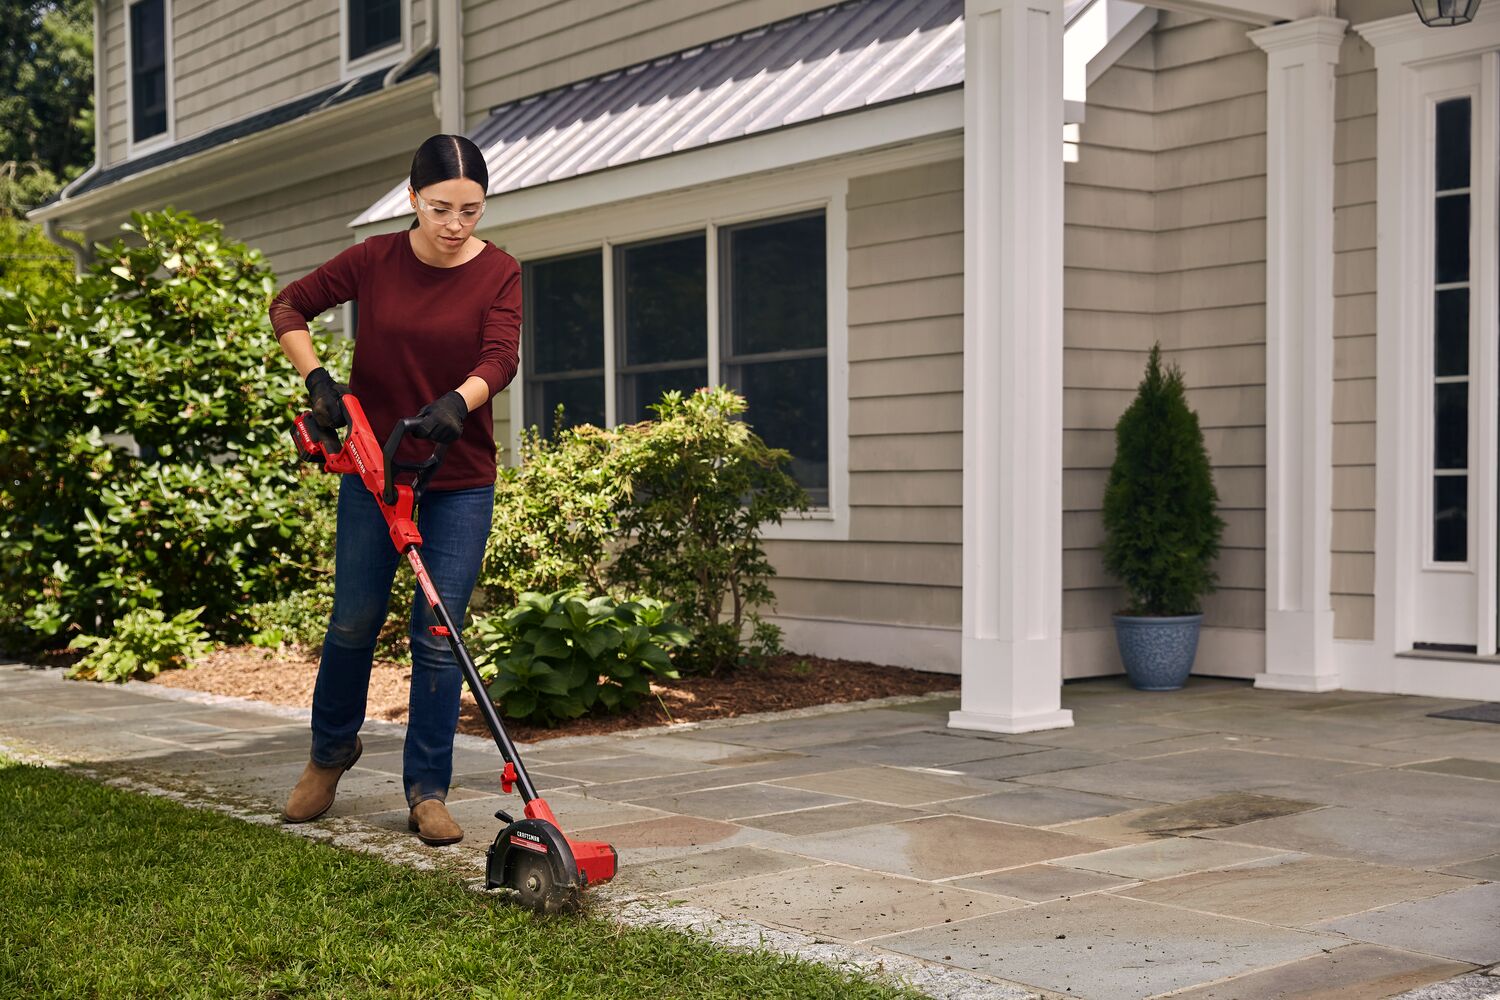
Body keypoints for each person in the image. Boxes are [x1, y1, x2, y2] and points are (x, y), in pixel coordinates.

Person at [268, 134, 520, 846]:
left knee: (439, 636)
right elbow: (289, 306)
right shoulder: (374, 260)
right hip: (376, 472)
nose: (456, 225)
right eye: (442, 208)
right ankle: (329, 755)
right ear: (413, 199)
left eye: (471, 210)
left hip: (460, 480)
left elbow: (501, 355)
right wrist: (318, 379)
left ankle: (427, 792)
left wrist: (458, 403)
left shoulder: (499, 271)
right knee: (352, 620)